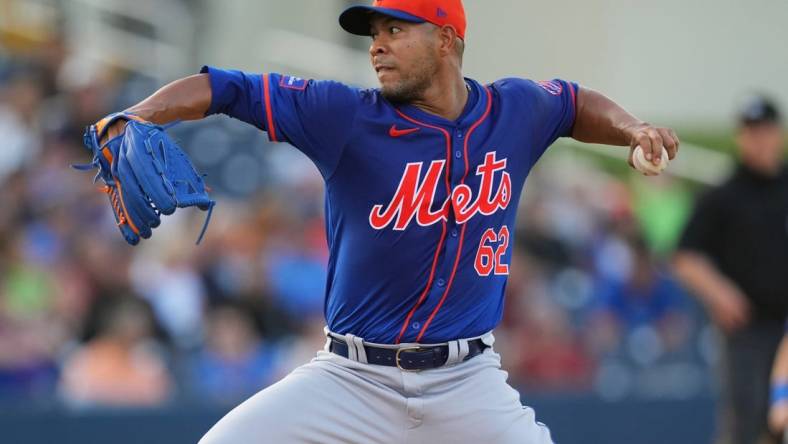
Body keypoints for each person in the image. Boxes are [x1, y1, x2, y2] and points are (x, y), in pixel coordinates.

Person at [95, 1, 679, 442]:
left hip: (467, 382)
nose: (377, 45)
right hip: (352, 378)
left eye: (395, 30)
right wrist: (137, 113)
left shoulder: (515, 111)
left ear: (447, 39)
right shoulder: (344, 115)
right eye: (374, 33)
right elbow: (225, 88)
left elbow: (574, 103)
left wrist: (632, 129)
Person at [674, 95, 788, 444]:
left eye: (766, 130)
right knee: (746, 422)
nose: (760, 139)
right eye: (752, 132)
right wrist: (720, 293)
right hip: (747, 330)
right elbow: (686, 256)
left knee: (779, 423)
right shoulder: (724, 195)